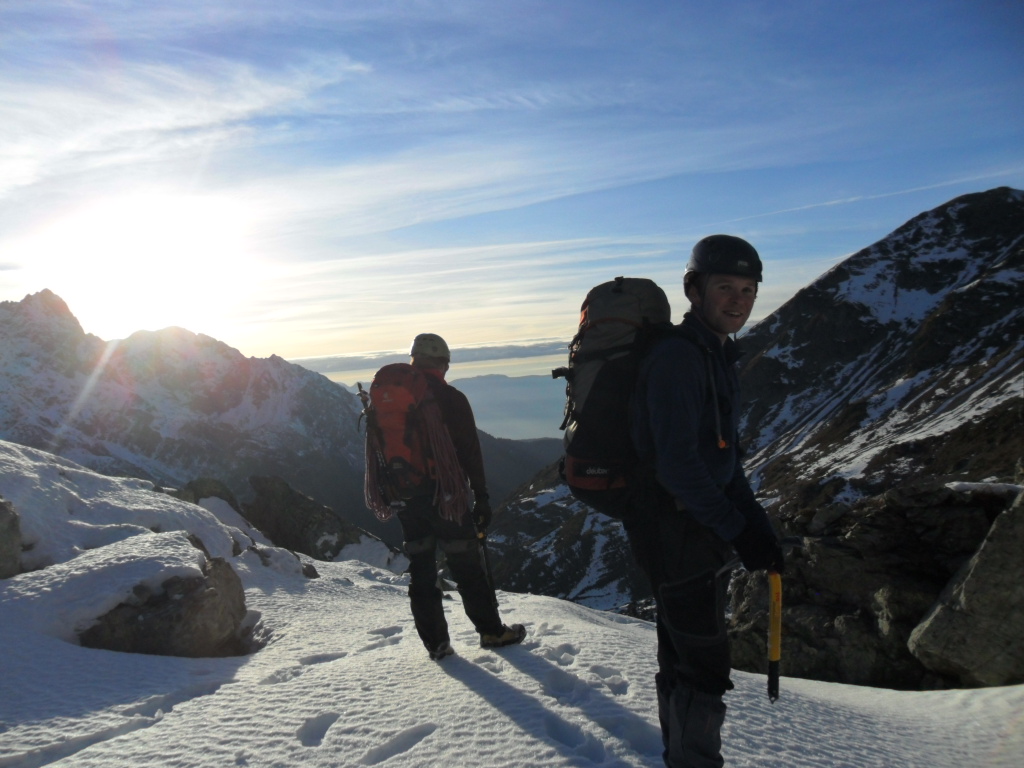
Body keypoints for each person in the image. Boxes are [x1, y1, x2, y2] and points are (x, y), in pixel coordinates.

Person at [625, 235, 785, 767]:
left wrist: (756, 528)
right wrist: (737, 530)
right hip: (676, 533)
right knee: (703, 667)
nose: (738, 300)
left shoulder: (716, 355)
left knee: (682, 658)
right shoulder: (679, 359)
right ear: (694, 290)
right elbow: (678, 467)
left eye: (748, 290)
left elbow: (724, 460)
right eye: (725, 287)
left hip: (691, 530)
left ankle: (679, 756)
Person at [397, 332, 526, 660]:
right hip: (447, 499)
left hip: (407, 497)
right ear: (442, 364)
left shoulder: (393, 400)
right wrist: (481, 497)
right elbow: (470, 452)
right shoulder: (450, 398)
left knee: (421, 569)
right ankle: (491, 632)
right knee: (466, 565)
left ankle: (436, 643)